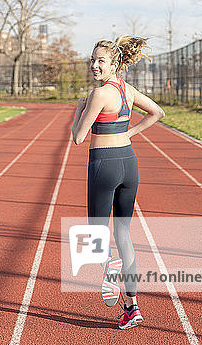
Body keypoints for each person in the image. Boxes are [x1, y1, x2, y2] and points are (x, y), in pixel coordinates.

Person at [71, 36, 165, 329]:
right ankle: (132, 307)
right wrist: (130, 133)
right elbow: (158, 113)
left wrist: (78, 109)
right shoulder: (128, 90)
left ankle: (110, 268)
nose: (94, 65)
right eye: (92, 60)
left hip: (104, 165)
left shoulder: (98, 95)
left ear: (115, 64)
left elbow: (78, 137)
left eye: (101, 61)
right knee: (123, 235)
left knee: (97, 236)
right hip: (129, 164)